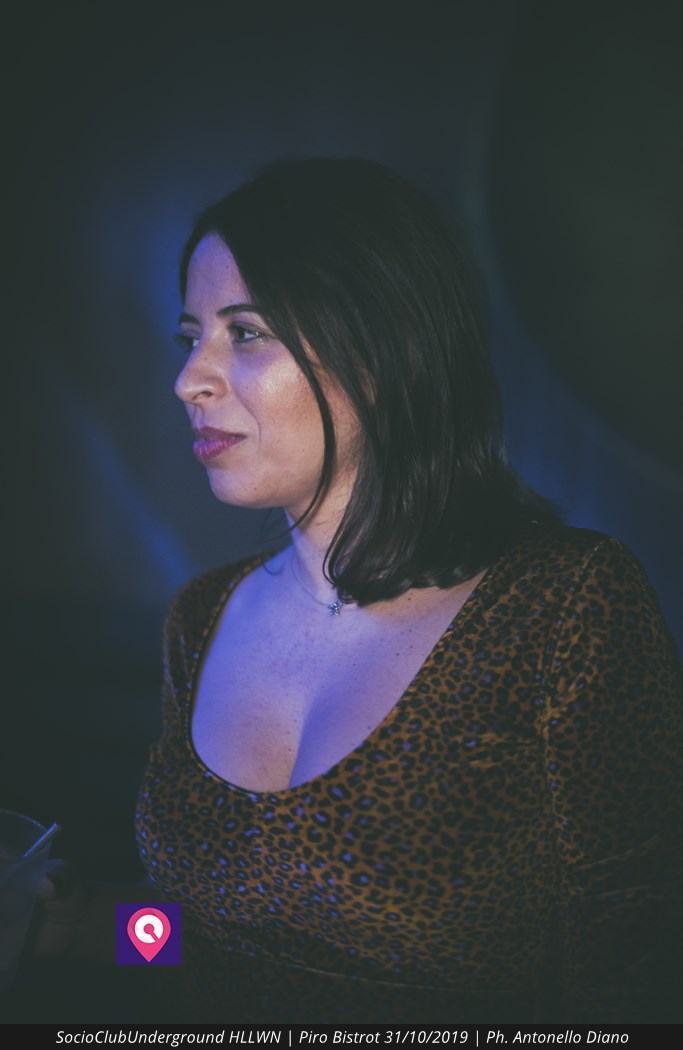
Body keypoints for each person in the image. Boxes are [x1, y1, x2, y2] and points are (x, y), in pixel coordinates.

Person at [33, 156, 683, 1024]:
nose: (189, 378)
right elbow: (209, 942)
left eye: (246, 332)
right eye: (191, 338)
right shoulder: (202, 617)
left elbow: (638, 969)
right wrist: (80, 929)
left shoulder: (563, 606)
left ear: (379, 349)